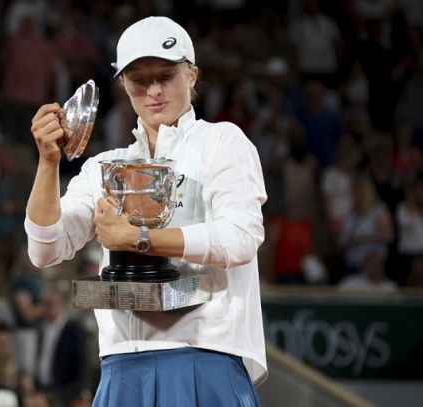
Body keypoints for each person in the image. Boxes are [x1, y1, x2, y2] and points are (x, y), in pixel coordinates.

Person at [25, 16, 266, 406]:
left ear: (192, 75)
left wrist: (137, 238)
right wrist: (48, 163)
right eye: (139, 79)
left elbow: (240, 239)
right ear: (122, 84)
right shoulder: (107, 165)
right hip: (121, 367)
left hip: (203, 356)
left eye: (166, 75)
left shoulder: (222, 141)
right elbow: (44, 249)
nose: (153, 90)